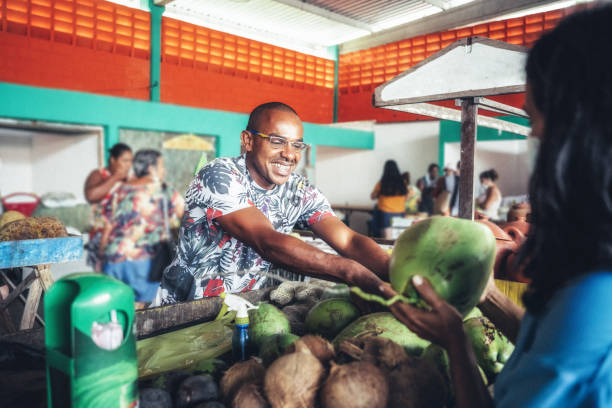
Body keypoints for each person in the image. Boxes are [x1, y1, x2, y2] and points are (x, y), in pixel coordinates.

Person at [386, 5, 612, 407]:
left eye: (535, 120)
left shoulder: (594, 295)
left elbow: (575, 330)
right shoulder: (590, 269)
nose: (534, 137)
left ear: (579, 132)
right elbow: (552, 341)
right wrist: (487, 295)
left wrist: (455, 341)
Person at [153, 102, 390, 305]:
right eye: (277, 142)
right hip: (183, 313)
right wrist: (350, 271)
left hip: (243, 310)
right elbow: (265, 240)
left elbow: (348, 240)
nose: (289, 154)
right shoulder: (219, 175)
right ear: (248, 140)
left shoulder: (299, 190)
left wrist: (395, 271)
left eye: (297, 145)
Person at [102, 149, 184, 306]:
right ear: (151, 169)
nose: (164, 170)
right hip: (142, 262)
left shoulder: (119, 190)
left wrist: (101, 258)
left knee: (115, 307)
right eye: (161, 166)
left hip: (113, 259)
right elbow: (186, 219)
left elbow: (107, 227)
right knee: (138, 309)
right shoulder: (164, 189)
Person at [83, 143, 133, 272]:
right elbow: (91, 196)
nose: (128, 165)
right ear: (113, 160)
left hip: (124, 237)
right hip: (101, 236)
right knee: (104, 274)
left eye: (130, 161)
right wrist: (115, 178)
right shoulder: (99, 174)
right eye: (125, 160)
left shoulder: (130, 180)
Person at [370, 160, 407, 239]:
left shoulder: (382, 183)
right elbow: (406, 196)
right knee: (399, 238)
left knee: (386, 238)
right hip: (400, 212)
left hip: (385, 213)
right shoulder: (402, 183)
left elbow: (373, 196)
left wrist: (379, 193)